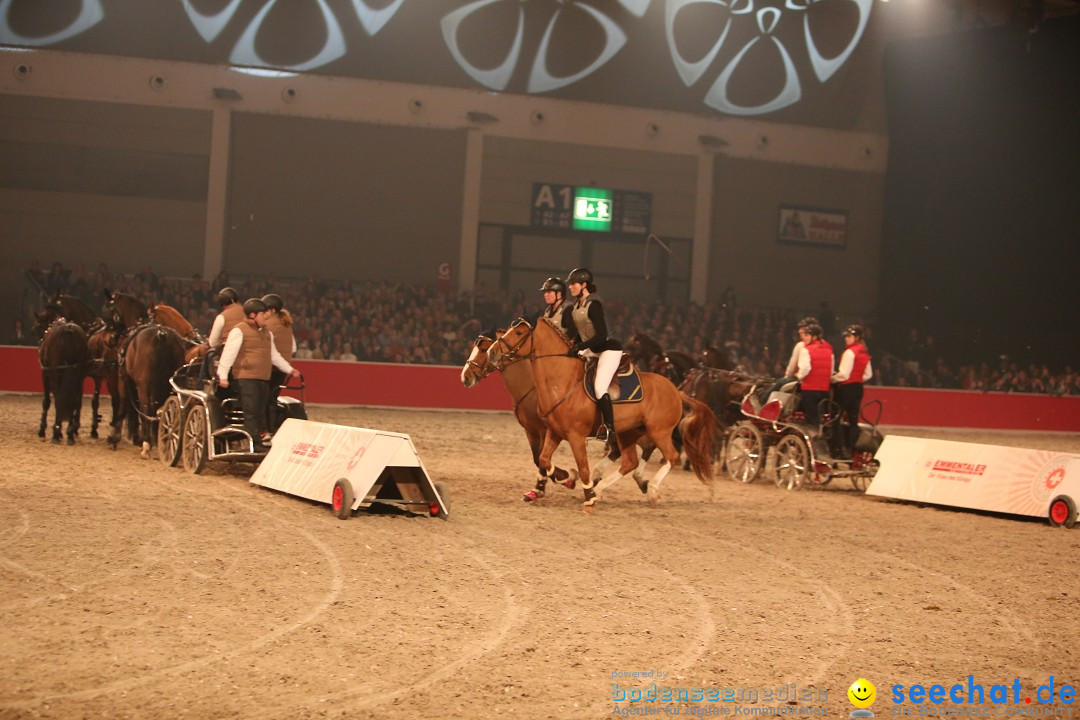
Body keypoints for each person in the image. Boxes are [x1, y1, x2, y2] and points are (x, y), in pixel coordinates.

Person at [217, 298, 299, 448]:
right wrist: (223, 375)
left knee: (261, 410)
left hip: (263, 378)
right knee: (252, 411)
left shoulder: (267, 333)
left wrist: (289, 369)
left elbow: (274, 356)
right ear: (253, 315)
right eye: (263, 315)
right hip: (246, 378)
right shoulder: (239, 330)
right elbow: (229, 354)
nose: (265, 318)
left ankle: (261, 437)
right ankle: (255, 441)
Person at [562, 267, 623, 458]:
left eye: (573, 284)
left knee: (599, 388)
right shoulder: (576, 307)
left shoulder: (594, 305)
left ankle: (609, 429)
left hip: (608, 350)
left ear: (584, 285)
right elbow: (575, 334)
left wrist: (581, 346)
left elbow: (602, 336)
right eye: (570, 284)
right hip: (592, 349)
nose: (570, 287)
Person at [831, 324, 872, 459]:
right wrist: (857, 378)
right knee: (853, 420)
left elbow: (844, 375)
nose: (846, 339)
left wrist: (832, 379)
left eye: (849, 336)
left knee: (836, 418)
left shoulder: (849, 352)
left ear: (857, 337)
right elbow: (868, 375)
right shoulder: (864, 352)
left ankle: (840, 448)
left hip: (846, 389)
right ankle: (851, 448)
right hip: (858, 388)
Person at [262, 293, 297, 430]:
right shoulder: (287, 325)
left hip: (270, 367)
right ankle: (272, 428)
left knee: (265, 400)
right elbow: (293, 347)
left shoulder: (267, 325)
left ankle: (266, 429)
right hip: (283, 369)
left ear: (271, 310)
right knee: (272, 399)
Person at [794, 322, 833, 427]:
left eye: (807, 335)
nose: (804, 338)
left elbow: (805, 368)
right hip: (824, 389)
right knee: (819, 416)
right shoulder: (829, 350)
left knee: (810, 417)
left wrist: (798, 375)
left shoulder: (806, 350)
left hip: (810, 388)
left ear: (814, 337)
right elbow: (831, 369)